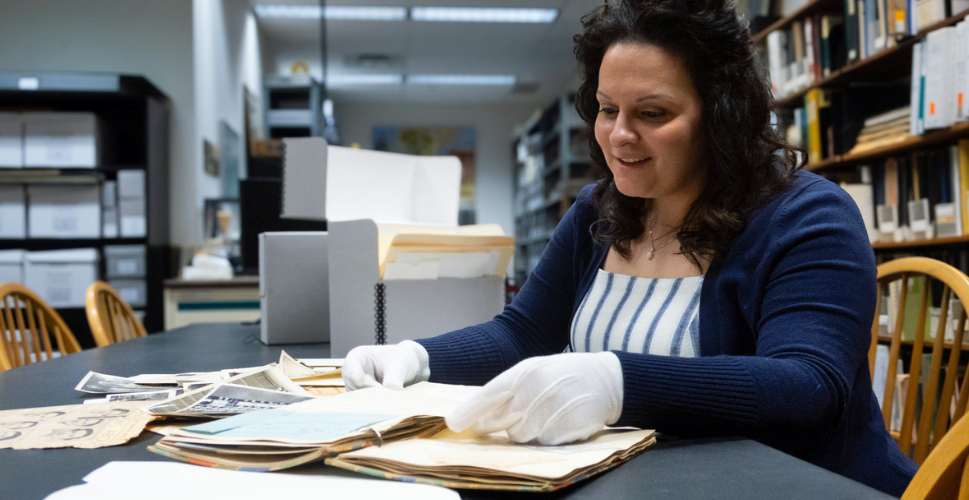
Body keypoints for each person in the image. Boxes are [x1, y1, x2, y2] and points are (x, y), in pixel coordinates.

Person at [343, 0, 917, 495]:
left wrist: (618, 384)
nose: (619, 135)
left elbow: (807, 387)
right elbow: (521, 334)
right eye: (607, 109)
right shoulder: (598, 210)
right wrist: (415, 357)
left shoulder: (807, 217)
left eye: (653, 114)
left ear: (721, 117)